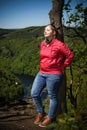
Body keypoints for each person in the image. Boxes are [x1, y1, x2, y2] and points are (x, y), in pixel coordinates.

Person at [31, 24, 74, 127]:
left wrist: (63, 66)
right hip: (42, 72)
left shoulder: (59, 44)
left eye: (48, 30)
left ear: (53, 33)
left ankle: (50, 117)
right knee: (34, 93)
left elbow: (70, 55)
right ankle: (41, 112)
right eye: (45, 30)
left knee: (52, 96)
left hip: (54, 74)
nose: (45, 31)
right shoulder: (43, 43)